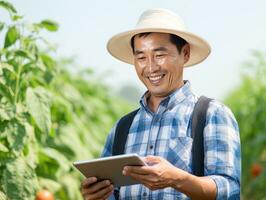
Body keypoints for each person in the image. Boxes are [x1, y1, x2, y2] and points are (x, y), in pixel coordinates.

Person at [80, 8, 241, 200]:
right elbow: (112, 194)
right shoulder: (122, 128)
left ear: (185, 54)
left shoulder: (211, 114)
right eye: (141, 57)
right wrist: (97, 195)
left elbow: (229, 189)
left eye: (159, 55)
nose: (150, 67)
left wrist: (177, 179)